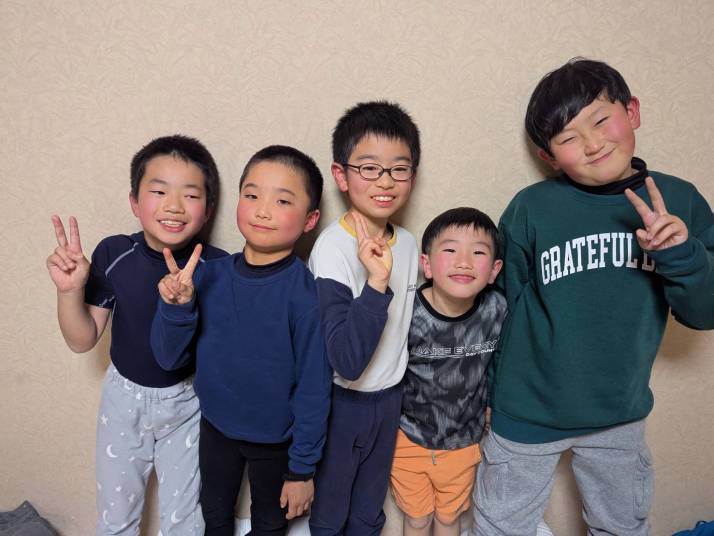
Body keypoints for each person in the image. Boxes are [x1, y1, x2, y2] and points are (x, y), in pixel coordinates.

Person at [473, 58, 714, 536]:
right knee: (500, 525)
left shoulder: (679, 200)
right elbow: (499, 308)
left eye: (602, 120)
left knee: (621, 525)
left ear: (633, 111)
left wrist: (679, 255)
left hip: (618, 411)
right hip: (526, 407)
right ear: (548, 156)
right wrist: (488, 395)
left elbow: (703, 314)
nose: (593, 143)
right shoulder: (531, 208)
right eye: (568, 137)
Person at [46, 134, 227, 535]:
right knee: (116, 520)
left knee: (185, 522)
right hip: (123, 401)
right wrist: (69, 291)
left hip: (188, 402)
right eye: (159, 191)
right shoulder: (114, 254)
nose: (174, 205)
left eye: (190, 195)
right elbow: (82, 339)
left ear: (208, 210)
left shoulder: (219, 268)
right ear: (134, 201)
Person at [150, 145, 332, 536]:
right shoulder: (206, 276)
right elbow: (168, 358)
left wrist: (302, 470)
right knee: (214, 515)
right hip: (216, 427)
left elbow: (314, 388)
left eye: (282, 201)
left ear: (310, 219)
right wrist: (176, 308)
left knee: (270, 524)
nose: (262, 210)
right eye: (251, 195)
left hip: (277, 440)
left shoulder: (306, 295)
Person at [307, 100, 421, 536]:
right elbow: (347, 361)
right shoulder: (332, 250)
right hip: (343, 403)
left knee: (369, 510)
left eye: (399, 169)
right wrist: (377, 283)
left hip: (390, 400)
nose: (385, 181)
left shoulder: (408, 243)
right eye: (370, 168)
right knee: (331, 511)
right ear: (341, 175)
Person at [391, 207, 505, 536]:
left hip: (464, 442)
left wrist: (493, 401)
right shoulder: (408, 312)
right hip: (408, 439)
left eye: (478, 253)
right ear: (426, 264)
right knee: (417, 518)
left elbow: (506, 361)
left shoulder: (497, 309)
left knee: (448, 518)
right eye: (451, 250)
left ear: (494, 270)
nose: (464, 261)